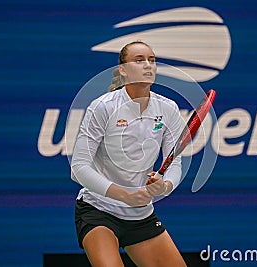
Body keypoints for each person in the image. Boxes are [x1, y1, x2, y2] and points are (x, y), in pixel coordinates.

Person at [71, 41, 187, 267]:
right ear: (123, 69)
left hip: (140, 215)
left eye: (152, 60)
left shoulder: (168, 108)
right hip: (99, 211)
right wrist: (124, 195)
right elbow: (79, 167)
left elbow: (175, 161)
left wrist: (164, 186)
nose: (148, 65)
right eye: (139, 60)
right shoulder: (102, 107)